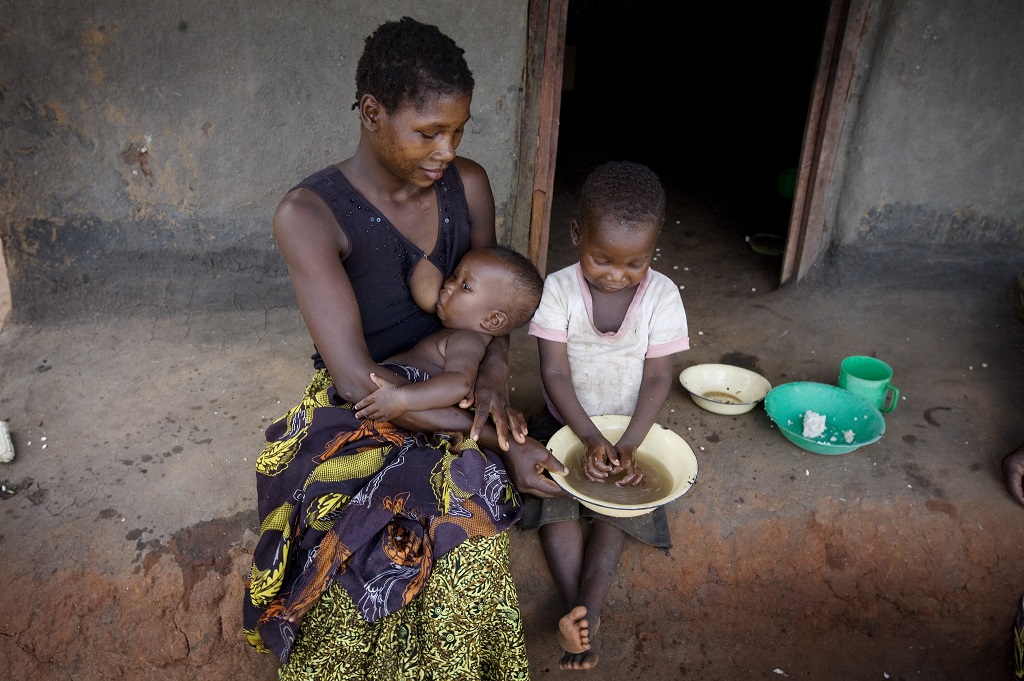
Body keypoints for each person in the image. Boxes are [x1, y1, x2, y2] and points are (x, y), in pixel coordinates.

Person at [241, 17, 566, 680]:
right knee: (362, 558)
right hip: (366, 411)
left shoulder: (467, 185)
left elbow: (491, 324)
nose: (446, 150)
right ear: (371, 113)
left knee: (471, 555)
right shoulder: (309, 215)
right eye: (428, 131)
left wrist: (495, 388)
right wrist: (502, 437)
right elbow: (363, 386)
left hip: (460, 394)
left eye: (457, 130)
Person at [521, 161, 690, 671]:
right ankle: (579, 613)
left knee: (621, 506)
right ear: (577, 235)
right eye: (602, 259)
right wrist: (590, 437)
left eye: (635, 263)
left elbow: (659, 378)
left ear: (653, 253)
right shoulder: (558, 289)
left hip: (630, 429)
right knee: (557, 498)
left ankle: (585, 612)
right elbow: (555, 375)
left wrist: (630, 445)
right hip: (566, 420)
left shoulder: (662, 295)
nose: (618, 275)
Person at [353, 245, 544, 424]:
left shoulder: (467, 339)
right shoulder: (462, 334)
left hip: (398, 405)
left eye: (466, 286)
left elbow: (459, 382)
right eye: (455, 275)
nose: (449, 285)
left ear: (492, 320)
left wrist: (402, 399)